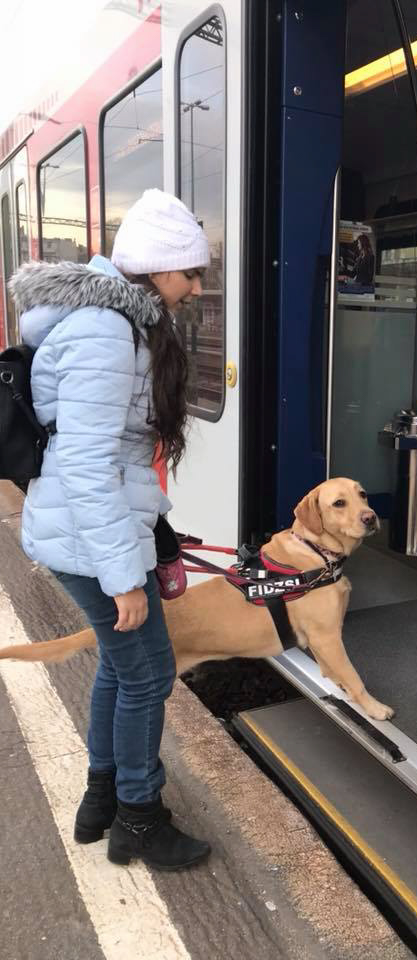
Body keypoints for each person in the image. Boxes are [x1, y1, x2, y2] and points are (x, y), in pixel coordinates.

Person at [9, 189, 211, 871]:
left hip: (87, 528)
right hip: (89, 537)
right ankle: (139, 819)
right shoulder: (105, 331)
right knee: (149, 673)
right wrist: (124, 576)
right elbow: (90, 462)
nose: (194, 287)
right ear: (156, 269)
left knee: (123, 671)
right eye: (189, 272)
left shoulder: (113, 322)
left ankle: (102, 800)